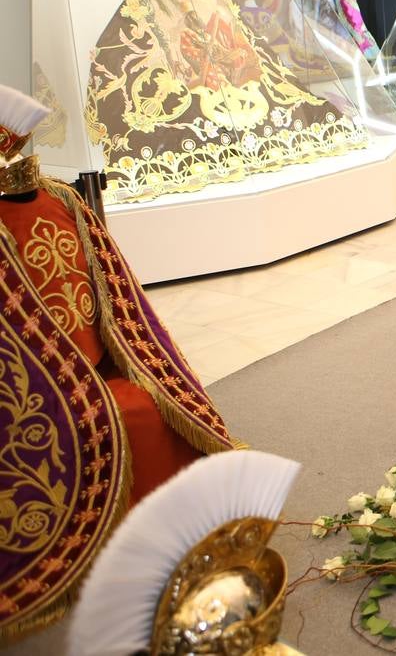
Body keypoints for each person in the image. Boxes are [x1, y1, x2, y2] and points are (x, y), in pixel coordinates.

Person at [0, 85, 237, 642]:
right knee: (108, 418)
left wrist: (124, 360)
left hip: (98, 360)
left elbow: (115, 290)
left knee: (151, 406)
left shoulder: (65, 201)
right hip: (31, 378)